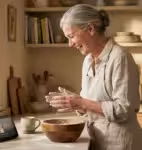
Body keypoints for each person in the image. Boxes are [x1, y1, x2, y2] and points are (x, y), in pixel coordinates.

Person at [45, 4, 142, 150]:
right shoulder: (88, 60)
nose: (70, 44)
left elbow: (124, 109)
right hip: (96, 139)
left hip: (120, 143)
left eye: (71, 36)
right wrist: (74, 102)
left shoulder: (120, 58)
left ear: (90, 29)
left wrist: (82, 102)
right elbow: (91, 105)